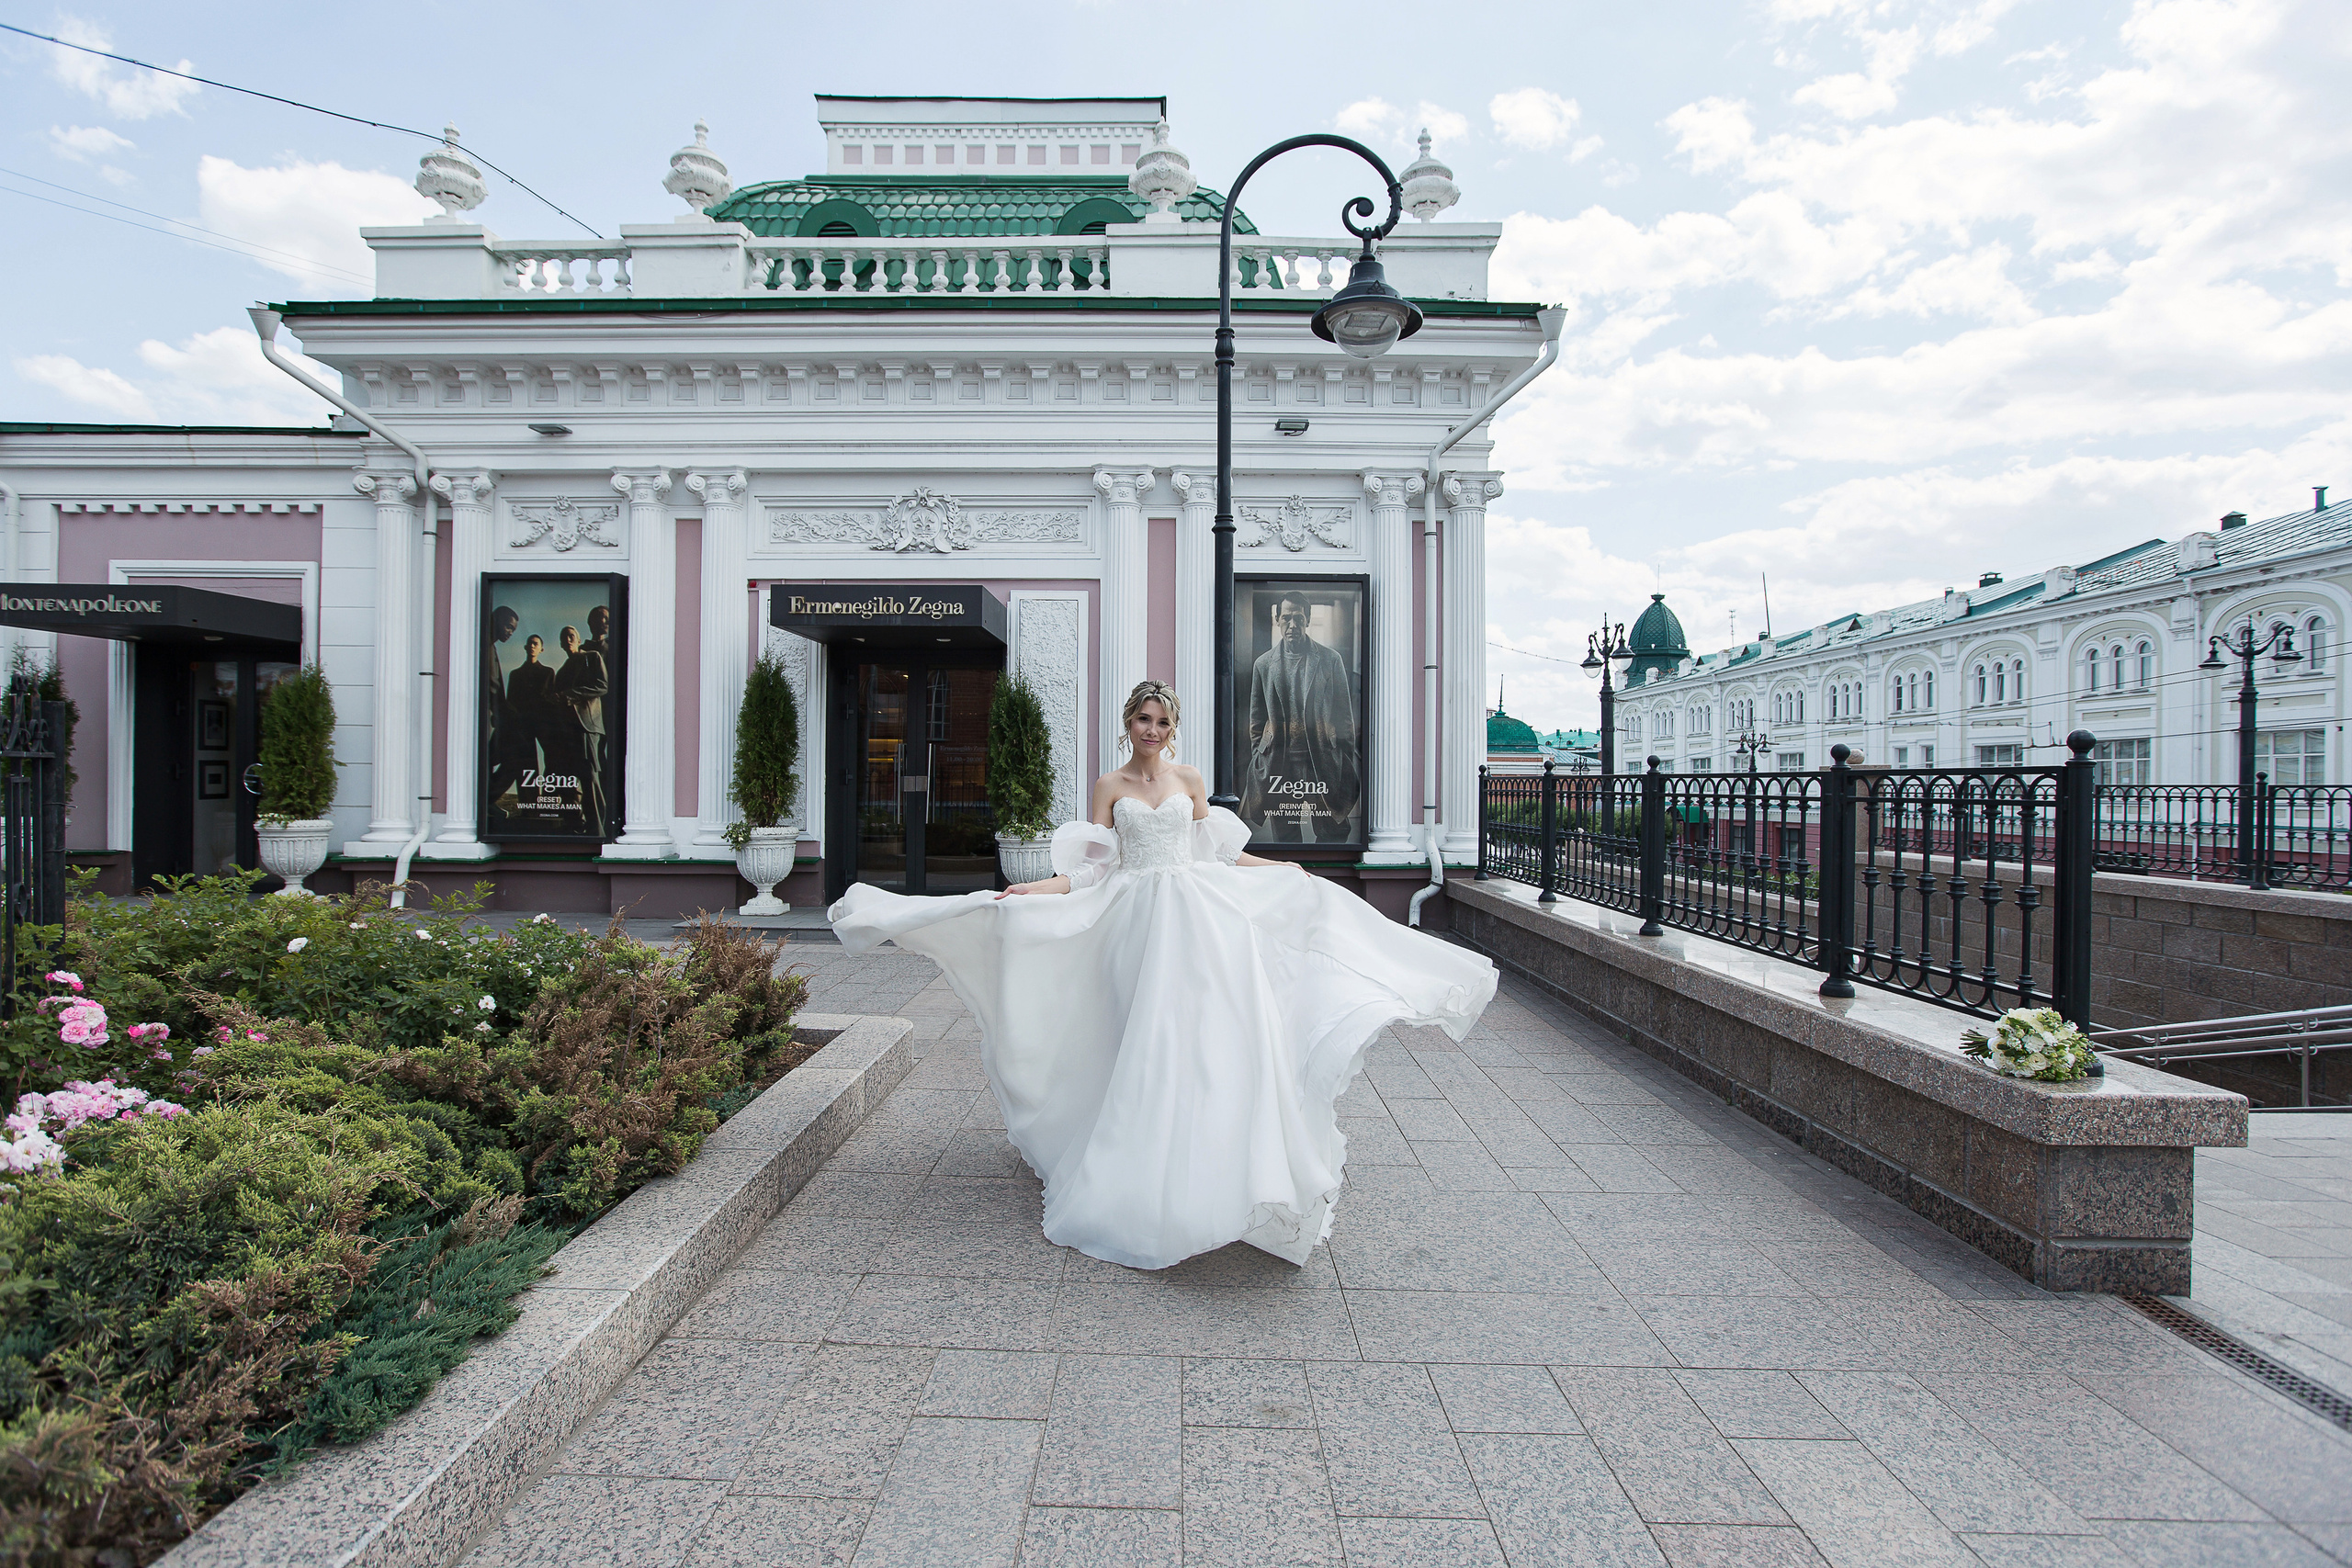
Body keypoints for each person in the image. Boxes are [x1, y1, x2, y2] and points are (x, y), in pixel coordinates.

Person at [830, 679, 1496, 1271]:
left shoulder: (1192, 781)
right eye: (1145, 720)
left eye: (1163, 722)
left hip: (1198, 916)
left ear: (1173, 730)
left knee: (1209, 1036)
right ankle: (1139, 1171)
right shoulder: (1109, 787)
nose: (1153, 730)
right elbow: (1094, 866)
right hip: (1134, 919)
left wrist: (1283, 871)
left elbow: (1219, 852)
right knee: (1143, 1038)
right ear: (1129, 723)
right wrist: (1038, 890)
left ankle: (1218, 1169)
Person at [1244, 592, 1361, 842]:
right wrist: (1260, 754)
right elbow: (1256, 721)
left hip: (1321, 762)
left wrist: (1343, 762)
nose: (1293, 625)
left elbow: (1344, 719)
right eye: (1286, 618)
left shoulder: (1331, 660)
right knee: (1285, 840)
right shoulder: (1263, 665)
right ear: (1277, 620)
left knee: (1334, 831)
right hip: (1280, 764)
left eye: (1298, 618)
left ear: (1307, 620)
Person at [549, 624, 609, 840]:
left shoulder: (591, 657)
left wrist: (571, 695)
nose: (568, 639)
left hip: (587, 726)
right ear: (560, 643)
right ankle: (576, 824)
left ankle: (598, 831)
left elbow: (603, 686)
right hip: (566, 730)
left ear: (578, 639)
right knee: (567, 779)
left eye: (571, 636)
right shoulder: (563, 670)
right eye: (564, 636)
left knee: (589, 778)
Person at [500, 634, 559, 824]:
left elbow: (551, 699)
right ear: (525, 648)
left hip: (543, 723)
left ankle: (550, 803)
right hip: (522, 725)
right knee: (526, 765)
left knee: (553, 761)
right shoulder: (515, 674)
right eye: (530, 644)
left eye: (536, 644)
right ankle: (529, 808)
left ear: (541, 649)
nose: (532, 646)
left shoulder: (548, 672)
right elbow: (510, 702)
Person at [483, 604, 521, 809]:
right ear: (496, 620)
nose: (510, 632)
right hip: (490, 717)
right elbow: (492, 686)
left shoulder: (490, 646)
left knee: (495, 761)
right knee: (511, 762)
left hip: (495, 716)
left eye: (513, 630)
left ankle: (486, 801)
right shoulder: (485, 645)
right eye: (508, 626)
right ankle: (486, 801)